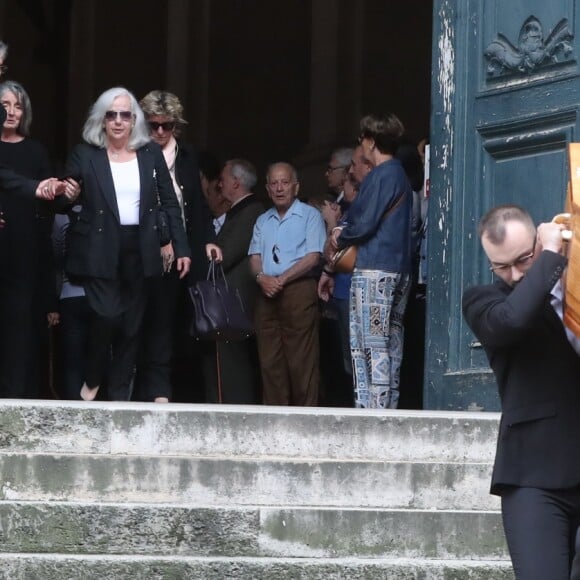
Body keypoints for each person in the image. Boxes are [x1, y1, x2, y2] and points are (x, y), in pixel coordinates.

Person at [462, 205, 580, 579]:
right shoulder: (484, 301)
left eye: (523, 260)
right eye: (501, 266)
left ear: (538, 238)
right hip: (533, 476)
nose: (513, 275)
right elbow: (512, 321)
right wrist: (546, 260)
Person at [62, 87, 191, 402]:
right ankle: (93, 374)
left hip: (141, 246)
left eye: (125, 115)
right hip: (100, 246)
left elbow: (170, 203)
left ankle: (119, 398)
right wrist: (66, 194)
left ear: (134, 121)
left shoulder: (150, 154)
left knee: (132, 327)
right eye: (111, 114)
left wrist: (182, 247)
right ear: (102, 119)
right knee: (107, 316)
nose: (118, 121)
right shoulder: (85, 154)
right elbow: (66, 194)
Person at [135, 90, 220, 403]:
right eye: (153, 125)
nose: (159, 131)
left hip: (183, 254)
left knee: (177, 323)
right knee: (145, 321)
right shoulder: (135, 153)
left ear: (176, 127)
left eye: (166, 125)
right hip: (145, 252)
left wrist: (208, 240)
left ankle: (173, 391)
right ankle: (148, 391)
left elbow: (196, 205)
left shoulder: (186, 156)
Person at [329, 113, 413, 409]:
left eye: (362, 140)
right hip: (400, 268)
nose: (361, 146)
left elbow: (364, 223)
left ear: (372, 142)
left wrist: (340, 233)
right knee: (392, 341)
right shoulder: (400, 174)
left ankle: (373, 413)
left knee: (368, 344)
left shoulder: (381, 174)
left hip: (375, 269)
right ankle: (388, 407)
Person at [0, 80, 61, 397]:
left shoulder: (35, 151)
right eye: (5, 104)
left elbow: (47, 212)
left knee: (19, 334)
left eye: (18, 105)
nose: (11, 111)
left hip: (24, 253)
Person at [249, 162, 326, 405]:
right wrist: (262, 279)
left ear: (296, 187)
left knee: (301, 361)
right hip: (266, 292)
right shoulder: (262, 220)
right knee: (269, 361)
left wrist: (280, 280)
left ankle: (305, 420)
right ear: (267, 188)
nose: (279, 188)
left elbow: (314, 256)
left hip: (298, 290)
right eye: (274, 183)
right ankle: (274, 421)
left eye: (285, 182)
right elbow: (254, 257)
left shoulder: (310, 215)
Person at [203, 158, 264, 403]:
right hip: (228, 300)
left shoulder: (250, 211)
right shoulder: (238, 211)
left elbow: (225, 254)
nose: (220, 184)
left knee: (233, 365)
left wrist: (208, 252)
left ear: (236, 183)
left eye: (224, 179)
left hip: (235, 301)